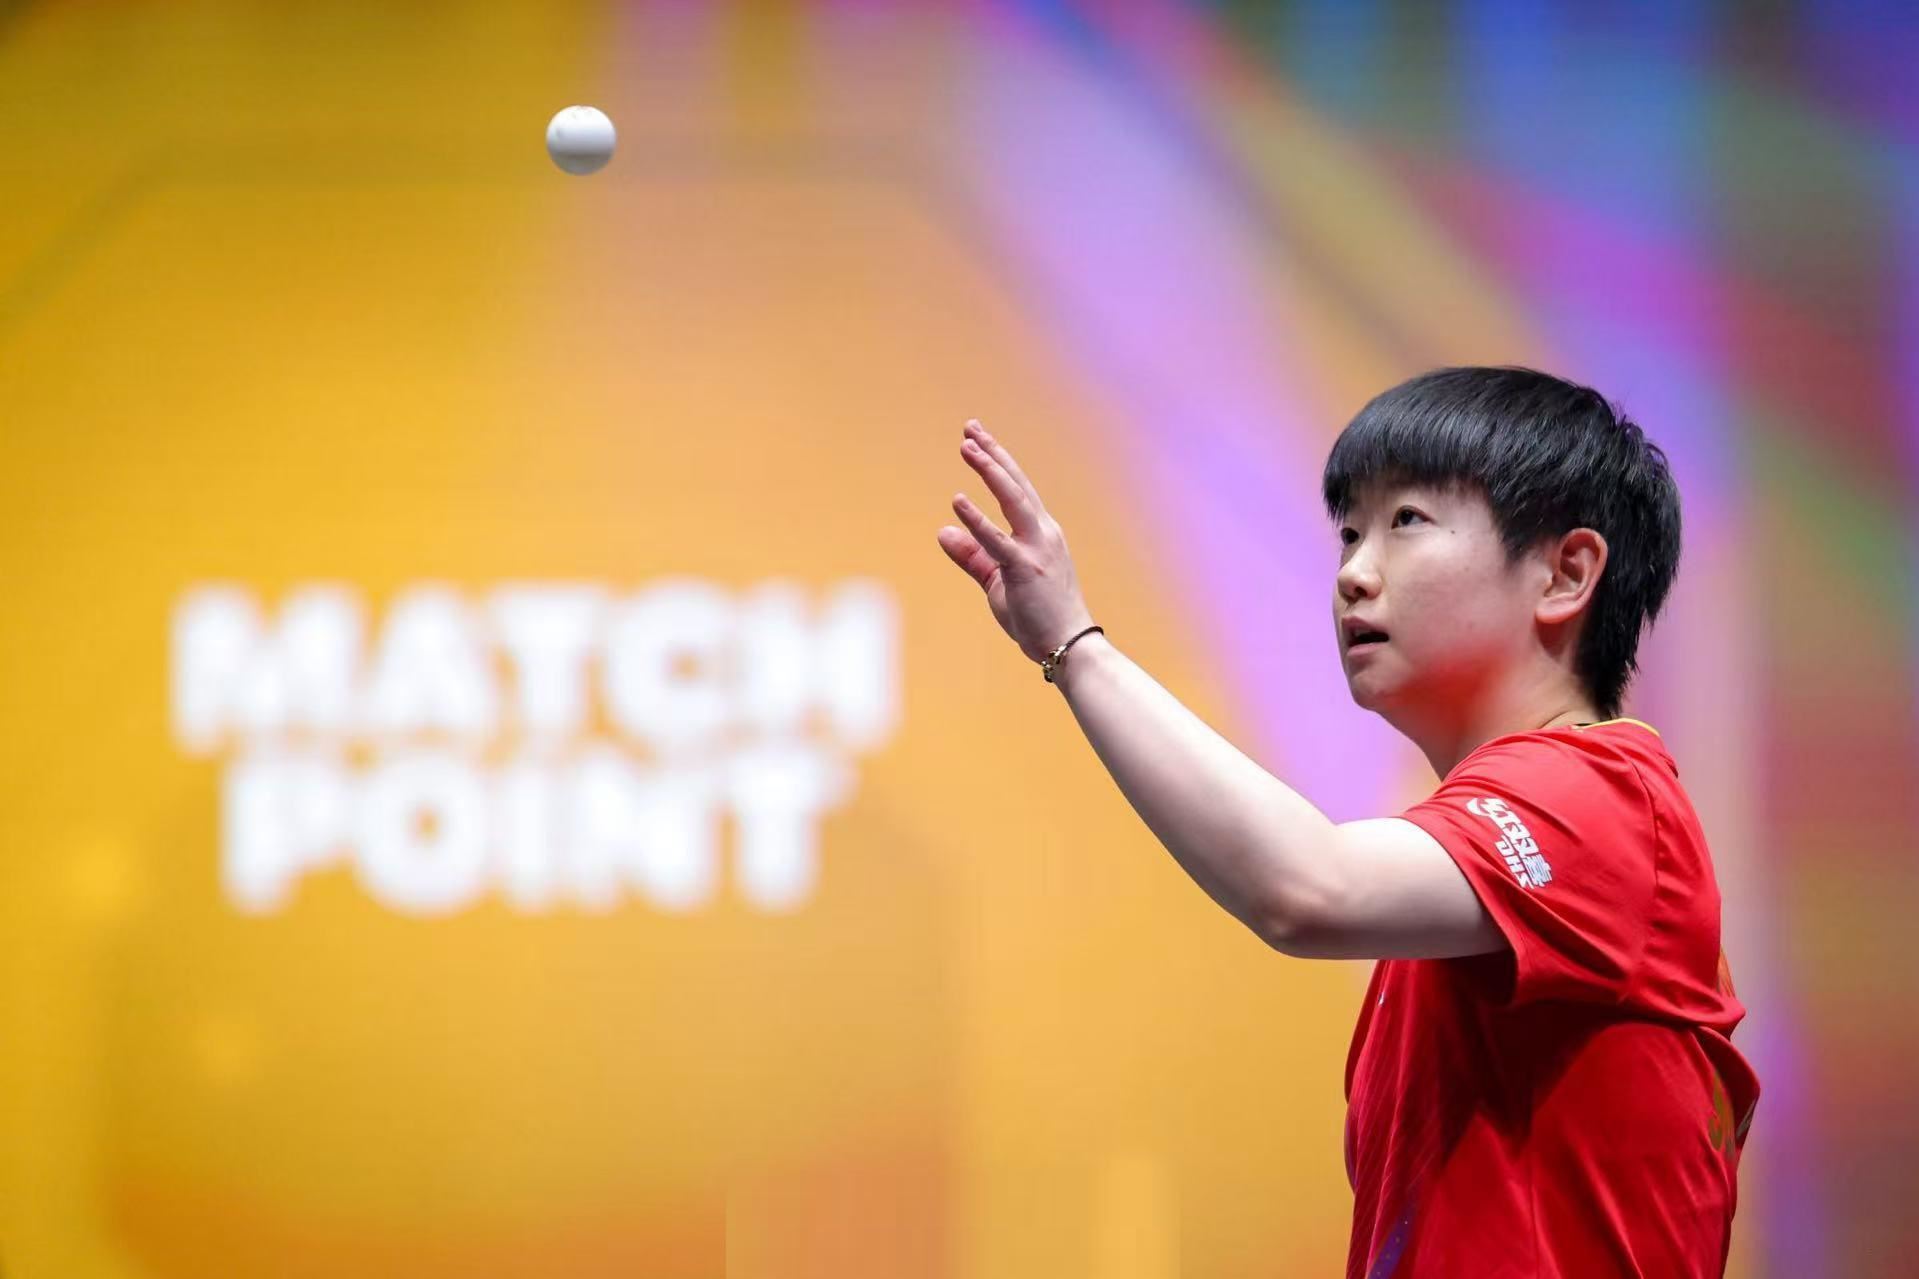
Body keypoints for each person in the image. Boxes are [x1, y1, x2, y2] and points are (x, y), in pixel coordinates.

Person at [935, 366, 1759, 1278]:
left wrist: (1075, 646)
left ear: (1564, 573)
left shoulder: (1602, 797)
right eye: (1349, 533)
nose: (1353, 575)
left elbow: (1303, 886)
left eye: (1406, 521)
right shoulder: (1468, 892)